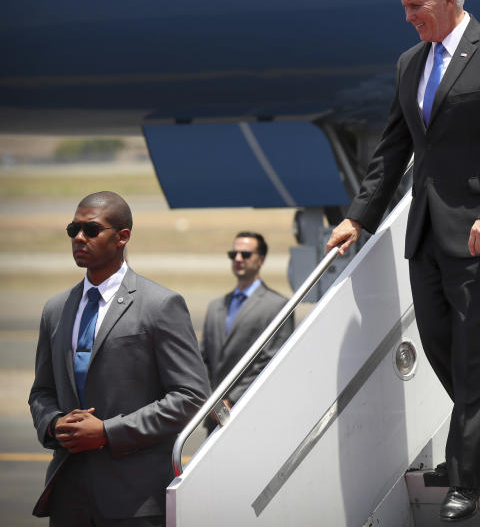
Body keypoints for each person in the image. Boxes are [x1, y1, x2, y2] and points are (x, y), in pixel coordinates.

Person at [325, 0, 480, 521]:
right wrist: (360, 215)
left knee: (477, 355)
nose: (407, 18)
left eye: (414, 6)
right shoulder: (410, 63)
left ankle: (467, 475)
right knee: (440, 346)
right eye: (404, 6)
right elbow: (393, 149)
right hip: (427, 231)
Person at [28, 191, 210, 524]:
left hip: (135, 500)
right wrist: (54, 424)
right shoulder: (55, 309)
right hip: (69, 496)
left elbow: (191, 397)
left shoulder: (160, 304)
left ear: (123, 237)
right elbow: (41, 392)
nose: (79, 238)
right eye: (74, 229)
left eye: (91, 230)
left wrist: (109, 432)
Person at [201, 232, 293, 430]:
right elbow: (203, 360)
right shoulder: (215, 306)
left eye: (245, 254)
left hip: (253, 414)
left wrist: (232, 400)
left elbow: (271, 360)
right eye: (233, 255)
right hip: (215, 417)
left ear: (261, 260)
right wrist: (211, 402)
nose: (238, 259)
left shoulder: (277, 305)